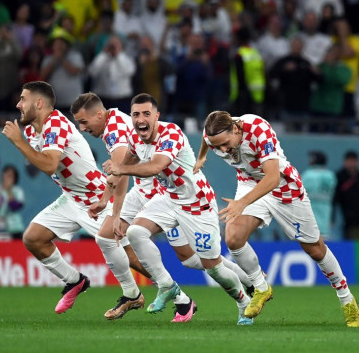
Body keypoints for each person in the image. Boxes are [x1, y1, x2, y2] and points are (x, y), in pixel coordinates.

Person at [71, 93, 253, 320]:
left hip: (196, 202)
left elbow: (154, 167)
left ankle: (244, 299)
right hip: (167, 197)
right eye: (136, 114)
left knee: (211, 266)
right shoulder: (134, 138)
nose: (140, 119)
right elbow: (125, 164)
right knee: (136, 232)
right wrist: (106, 198)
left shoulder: (171, 133)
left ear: (157, 116)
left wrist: (119, 177)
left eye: (146, 114)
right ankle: (166, 286)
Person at [197, 111, 359, 327]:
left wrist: (242, 203)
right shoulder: (214, 134)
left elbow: (273, 177)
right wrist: (202, 156)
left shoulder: (258, 129)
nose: (222, 150)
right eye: (216, 146)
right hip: (250, 183)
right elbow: (205, 138)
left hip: (283, 187)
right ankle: (261, 286)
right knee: (233, 237)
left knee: (315, 249)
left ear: (236, 129)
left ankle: (347, 299)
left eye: (225, 144)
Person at [0, 81, 140, 316]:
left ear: (39, 103)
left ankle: (173, 293)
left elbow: (49, 164)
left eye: (23, 99)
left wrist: (18, 143)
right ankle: (75, 281)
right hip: (72, 197)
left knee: (132, 258)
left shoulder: (55, 124)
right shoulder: (33, 131)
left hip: (95, 195)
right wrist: (23, 141)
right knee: (34, 238)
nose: (18, 104)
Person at [88, 35, 136, 112]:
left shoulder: (127, 58)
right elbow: (93, 72)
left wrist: (118, 55)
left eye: (116, 44)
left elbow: (129, 71)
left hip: (122, 100)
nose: (113, 47)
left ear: (121, 46)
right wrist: (103, 54)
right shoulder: (101, 58)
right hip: (103, 100)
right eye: (111, 44)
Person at [230, 27, 265, 115]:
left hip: (242, 94)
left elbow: (240, 75)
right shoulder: (256, 53)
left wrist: (242, 91)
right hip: (258, 94)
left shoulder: (240, 54)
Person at [302, 151, 337, 238]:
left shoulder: (307, 175)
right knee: (324, 241)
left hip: (308, 216)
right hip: (325, 214)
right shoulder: (330, 175)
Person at [0, 164, 24, 237]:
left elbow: (15, 206)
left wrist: (8, 190)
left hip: (15, 229)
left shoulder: (17, 191)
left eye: (11, 176)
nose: (8, 178)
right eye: (7, 175)